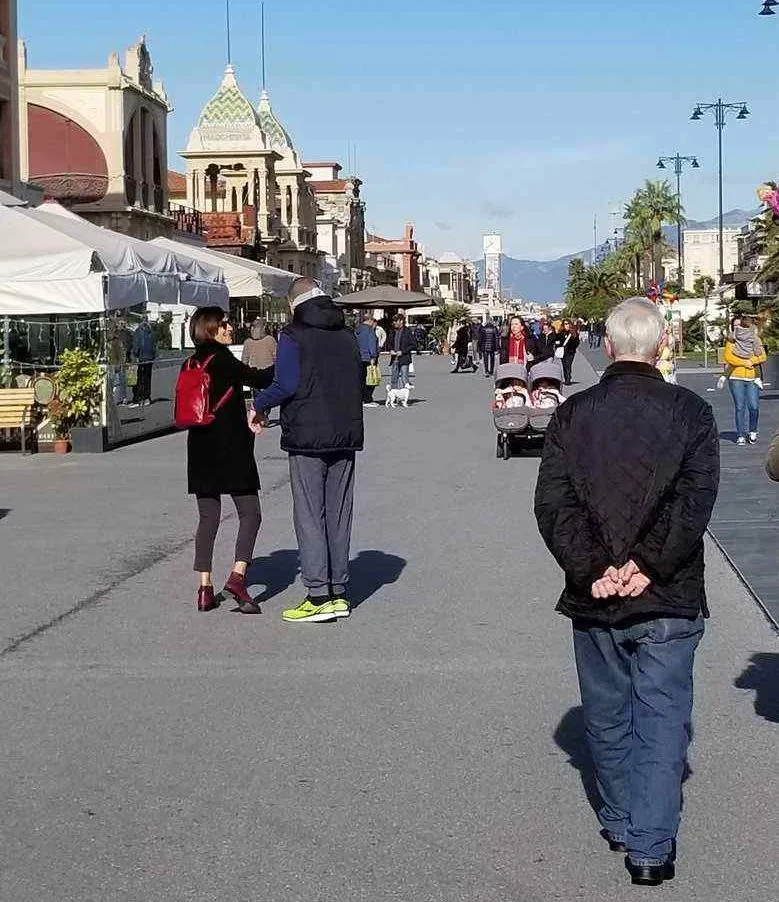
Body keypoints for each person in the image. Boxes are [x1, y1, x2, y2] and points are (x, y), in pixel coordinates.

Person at [534, 297, 719, 888]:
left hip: (595, 596)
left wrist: (594, 568)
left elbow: (554, 504)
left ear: (609, 347)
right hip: (668, 593)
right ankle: (650, 847)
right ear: (661, 346)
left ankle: (618, 818)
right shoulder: (691, 413)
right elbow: (694, 505)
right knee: (663, 719)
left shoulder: (572, 415)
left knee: (608, 712)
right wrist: (648, 564)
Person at [251, 278, 364, 623]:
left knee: (310, 512)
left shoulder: (293, 335)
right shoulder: (347, 335)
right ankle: (339, 592)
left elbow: (286, 383)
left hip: (306, 435)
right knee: (339, 512)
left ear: (293, 304)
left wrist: (258, 404)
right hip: (345, 432)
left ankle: (317, 594)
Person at [185, 308, 275, 614]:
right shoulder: (222, 359)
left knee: (208, 517)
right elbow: (261, 378)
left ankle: (204, 588)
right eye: (224, 324)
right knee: (251, 513)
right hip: (231, 448)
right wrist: (290, 363)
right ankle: (237, 577)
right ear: (210, 330)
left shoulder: (191, 361)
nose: (230, 328)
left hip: (199, 447)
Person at [723, 316, 767, 445]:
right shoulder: (732, 340)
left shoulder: (755, 339)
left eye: (740, 325)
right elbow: (728, 357)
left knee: (754, 406)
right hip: (736, 377)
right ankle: (741, 434)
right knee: (740, 407)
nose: (738, 328)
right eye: (735, 326)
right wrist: (744, 363)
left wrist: (752, 361)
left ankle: (753, 430)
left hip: (752, 377)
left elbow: (762, 356)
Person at [131, 318, 157, 407]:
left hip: (141, 358)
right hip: (149, 358)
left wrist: (135, 354)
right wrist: (153, 356)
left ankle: (139, 398)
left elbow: (136, 345)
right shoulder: (151, 332)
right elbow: (154, 345)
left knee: (139, 379)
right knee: (147, 378)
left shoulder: (138, 331)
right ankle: (147, 397)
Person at [355, 315, 380, 407]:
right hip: (368, 358)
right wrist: (373, 356)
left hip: (358, 358)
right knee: (371, 379)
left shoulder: (357, 330)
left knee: (361, 379)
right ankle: (368, 399)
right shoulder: (369, 330)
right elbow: (371, 343)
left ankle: (361, 398)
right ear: (369, 320)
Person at [389, 314, 417, 388]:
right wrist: (391, 349)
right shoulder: (392, 331)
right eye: (393, 321)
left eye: (396, 321)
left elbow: (413, 345)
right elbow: (389, 342)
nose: (394, 323)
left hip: (404, 358)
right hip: (394, 358)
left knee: (404, 378)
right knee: (394, 379)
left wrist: (402, 351)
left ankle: (404, 397)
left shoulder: (407, 331)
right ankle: (394, 397)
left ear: (401, 321)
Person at [558, 321, 580, 385]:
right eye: (565, 324)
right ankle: (566, 378)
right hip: (562, 352)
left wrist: (573, 347)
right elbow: (558, 340)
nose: (566, 325)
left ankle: (568, 379)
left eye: (568, 324)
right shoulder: (561, 332)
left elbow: (577, 342)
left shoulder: (573, 333)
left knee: (568, 365)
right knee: (564, 365)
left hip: (570, 352)